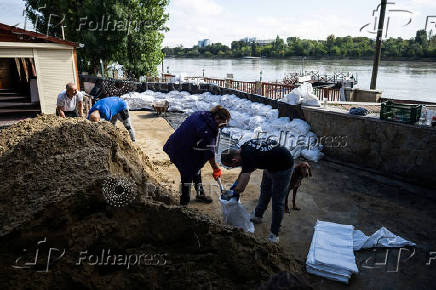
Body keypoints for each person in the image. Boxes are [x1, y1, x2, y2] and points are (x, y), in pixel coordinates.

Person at [220, 138, 294, 243]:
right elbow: (245, 171)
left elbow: (241, 186)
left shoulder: (248, 157)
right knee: (265, 192)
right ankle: (258, 216)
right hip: (270, 164)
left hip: (283, 167)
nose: (233, 168)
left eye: (231, 166)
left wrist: (234, 193)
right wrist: (234, 188)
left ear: (235, 160)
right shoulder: (244, 148)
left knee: (277, 202)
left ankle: (274, 234)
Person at [163, 105, 231, 206]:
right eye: (223, 124)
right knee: (187, 175)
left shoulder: (202, 114)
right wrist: (216, 168)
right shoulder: (207, 130)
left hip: (179, 143)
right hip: (180, 149)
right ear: (217, 118)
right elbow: (209, 152)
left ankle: (200, 194)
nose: (223, 127)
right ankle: (183, 205)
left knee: (196, 168)